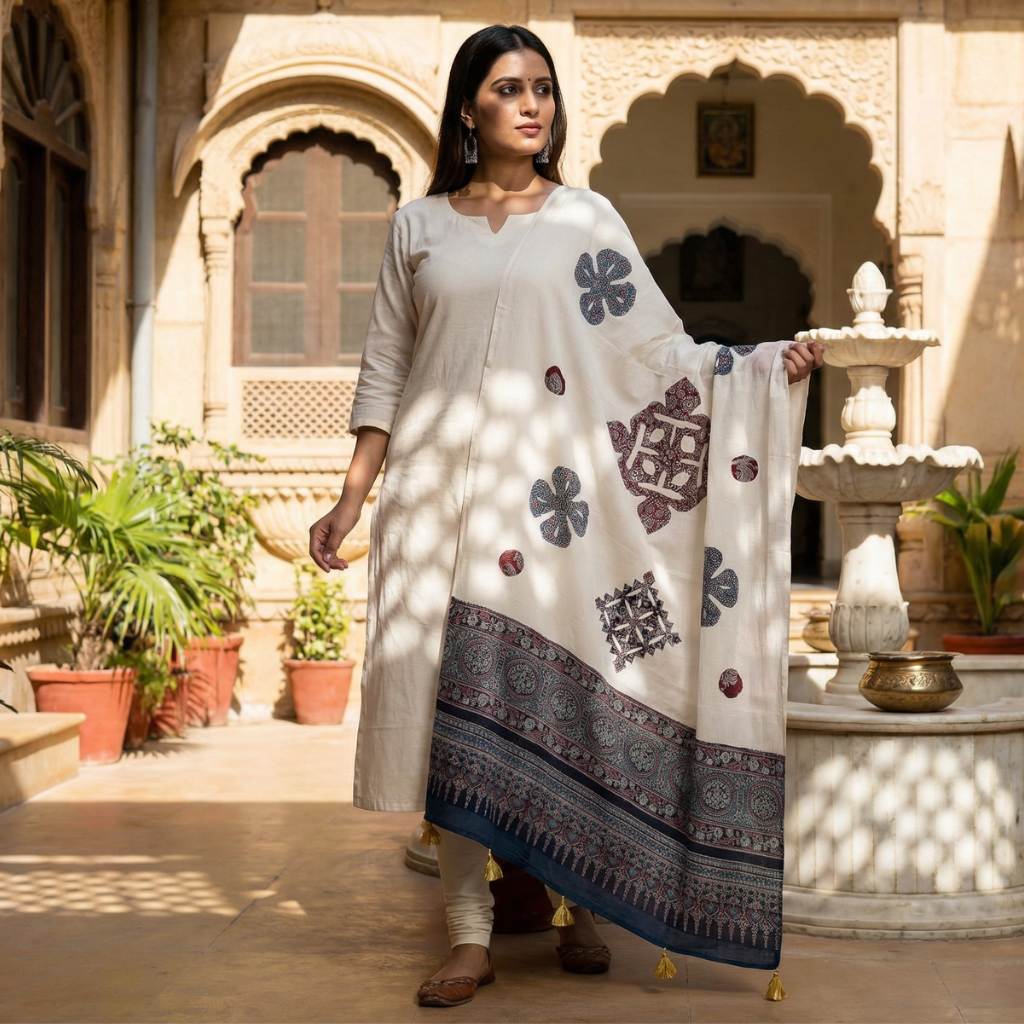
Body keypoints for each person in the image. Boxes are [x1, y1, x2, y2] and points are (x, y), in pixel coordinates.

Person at [309, 24, 823, 1009]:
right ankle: (469, 934)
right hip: (435, 503)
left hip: (557, 512)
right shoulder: (419, 228)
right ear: (469, 108)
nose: (531, 104)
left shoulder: (586, 219)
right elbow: (384, 369)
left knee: (572, 700)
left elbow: (656, 351)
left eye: (542, 87)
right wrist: (351, 495)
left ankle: (579, 905)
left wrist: (760, 368)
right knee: (457, 720)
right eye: (508, 88)